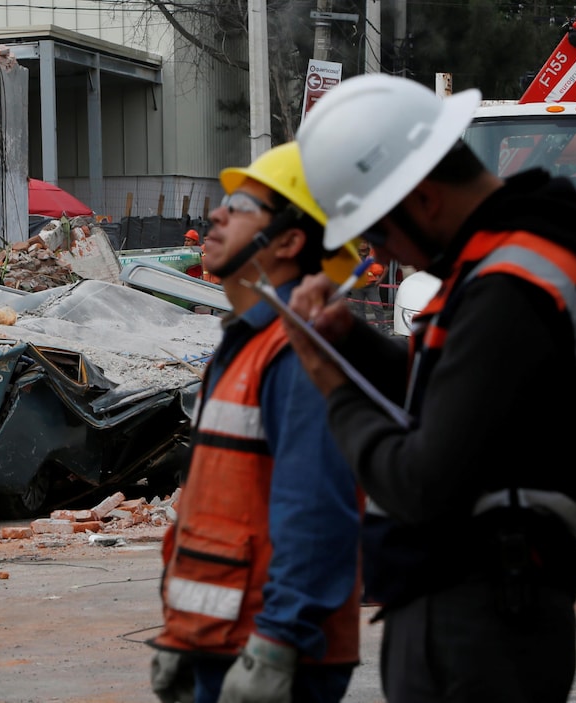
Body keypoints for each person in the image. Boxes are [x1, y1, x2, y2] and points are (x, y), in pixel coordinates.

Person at [286, 74, 576, 702]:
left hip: (483, 614)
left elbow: (420, 484)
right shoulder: (503, 267)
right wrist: (346, 337)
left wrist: (333, 384)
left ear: (425, 198)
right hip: (479, 602)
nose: (384, 254)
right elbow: (451, 389)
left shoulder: (508, 288)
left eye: (379, 232)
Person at [149, 143, 363, 703]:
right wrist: (182, 634)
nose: (217, 214)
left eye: (241, 206)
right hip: (221, 642)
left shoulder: (296, 349)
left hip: (271, 654)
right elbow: (213, 501)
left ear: (290, 241)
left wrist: (278, 641)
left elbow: (318, 511)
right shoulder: (244, 342)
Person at [345, 240, 385, 323]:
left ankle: (384, 329)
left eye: (365, 243)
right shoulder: (352, 253)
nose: (363, 245)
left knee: (378, 308)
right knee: (359, 309)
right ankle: (363, 331)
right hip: (357, 287)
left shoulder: (374, 254)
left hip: (371, 286)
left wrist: (380, 280)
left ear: (368, 244)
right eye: (361, 243)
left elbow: (386, 266)